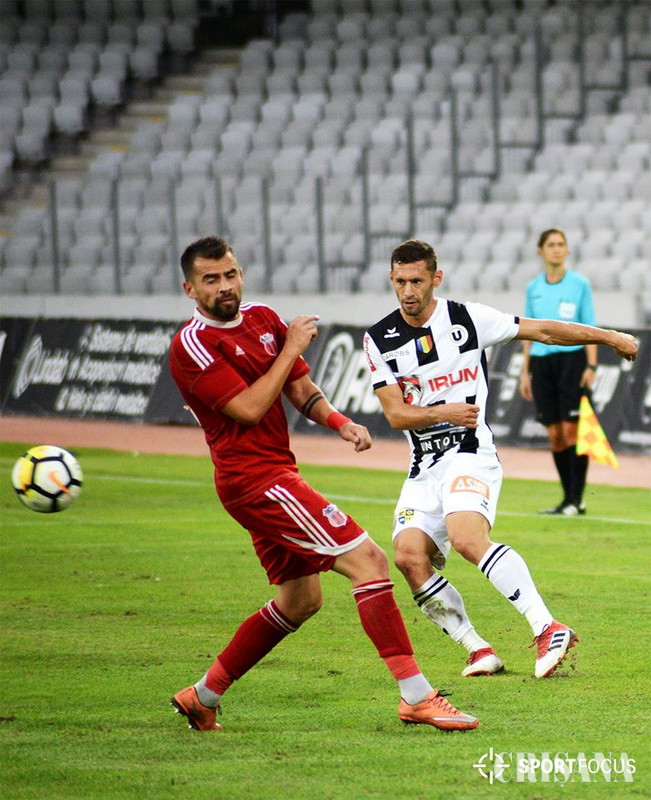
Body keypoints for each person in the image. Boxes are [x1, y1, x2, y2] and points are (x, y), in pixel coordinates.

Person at [168, 235, 479, 733]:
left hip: (276, 472)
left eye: (230, 274)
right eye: (211, 279)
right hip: (253, 479)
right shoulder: (192, 346)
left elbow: (298, 387)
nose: (224, 286)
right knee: (370, 562)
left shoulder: (262, 318)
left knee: (300, 602)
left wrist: (340, 422)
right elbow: (249, 409)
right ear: (190, 289)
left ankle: (203, 696)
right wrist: (291, 346)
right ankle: (417, 696)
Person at [363, 239, 637, 679]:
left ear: (436, 278)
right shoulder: (379, 338)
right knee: (408, 557)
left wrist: (609, 337)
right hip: (423, 467)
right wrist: (444, 412)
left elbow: (544, 331)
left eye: (416, 281)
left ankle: (547, 627)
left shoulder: (467, 319)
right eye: (400, 282)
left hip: (470, 453)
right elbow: (395, 415)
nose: (408, 291)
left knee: (467, 537)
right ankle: (478, 649)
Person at [519, 229, 598, 516]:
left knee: (572, 430)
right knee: (554, 435)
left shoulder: (579, 284)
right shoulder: (534, 288)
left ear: (567, 249)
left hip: (572, 361)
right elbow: (528, 330)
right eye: (551, 245)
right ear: (540, 251)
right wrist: (525, 372)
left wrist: (591, 366)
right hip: (542, 364)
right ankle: (567, 498)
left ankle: (577, 499)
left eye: (561, 244)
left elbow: (589, 326)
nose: (557, 249)